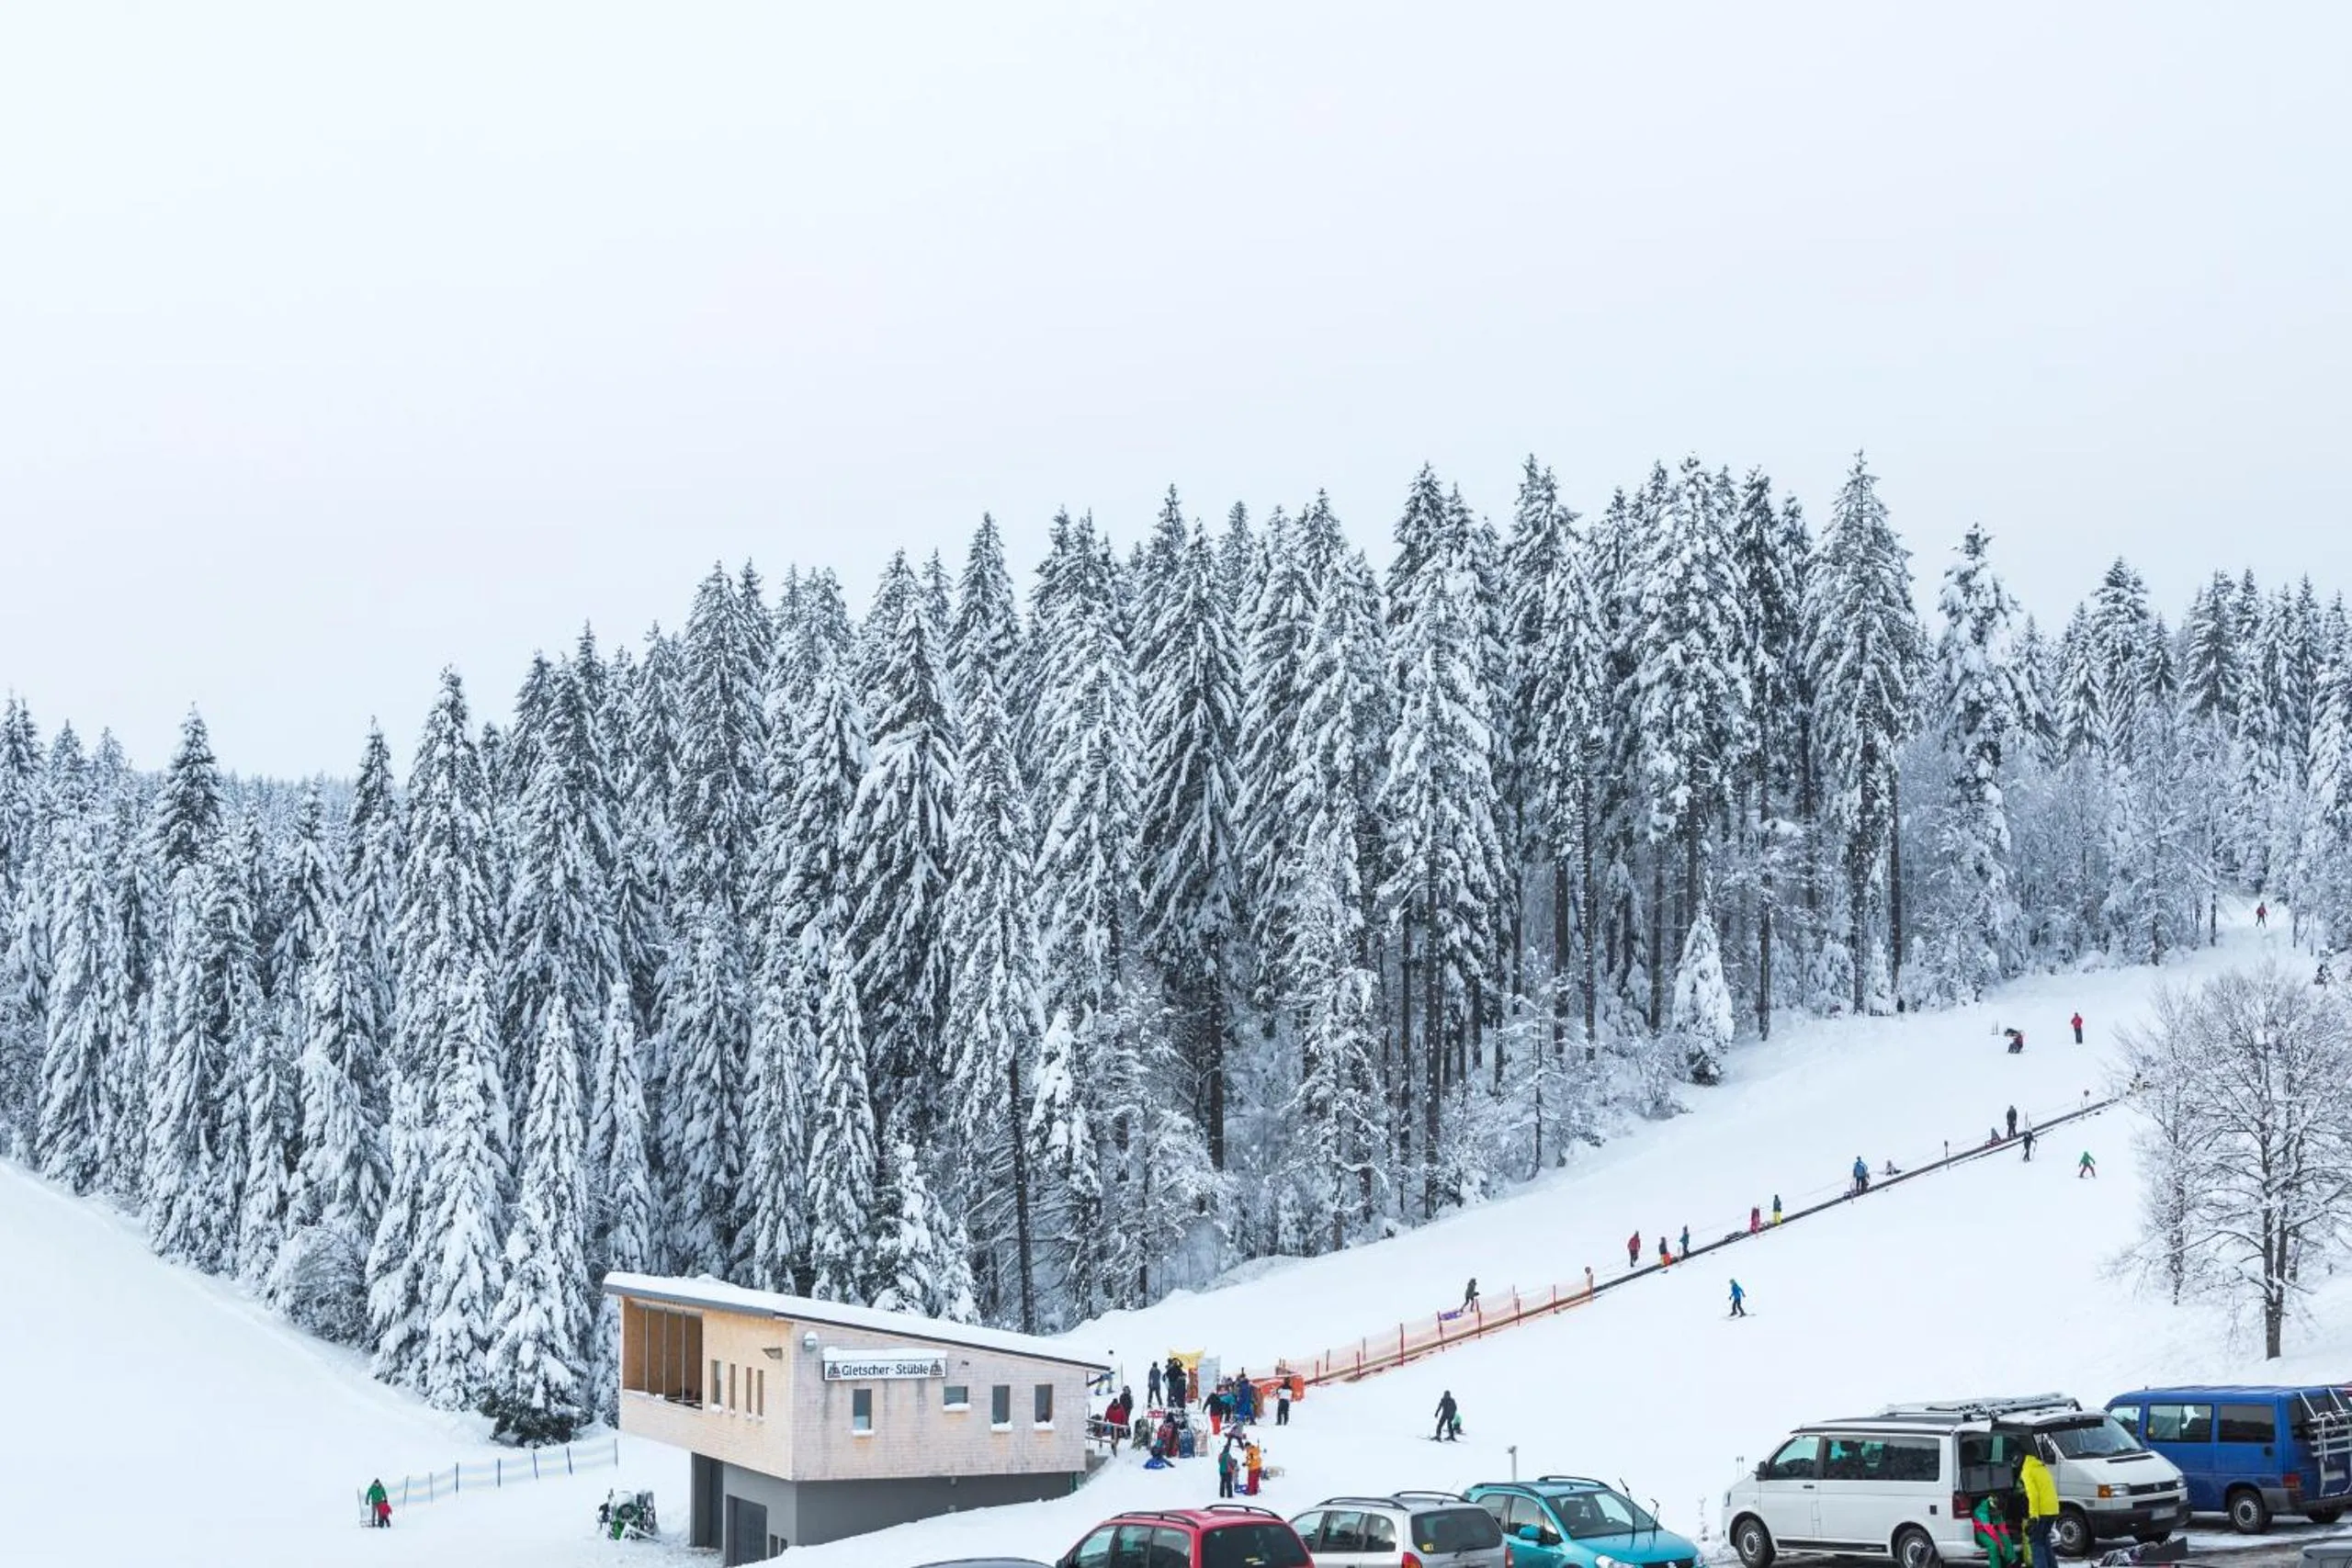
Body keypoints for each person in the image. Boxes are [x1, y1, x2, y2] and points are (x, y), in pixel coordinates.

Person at [2020, 1441, 2061, 1568]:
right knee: (2044, 1540)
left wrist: (2033, 1517)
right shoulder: (2040, 1467)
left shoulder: (2027, 1470)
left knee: (2035, 1543)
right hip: (2053, 1509)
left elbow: (2033, 1495)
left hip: (2041, 1511)